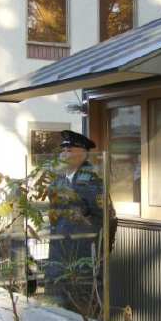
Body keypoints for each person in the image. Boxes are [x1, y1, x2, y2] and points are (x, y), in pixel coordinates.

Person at [45, 130, 117, 310]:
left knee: (83, 312)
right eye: (63, 150)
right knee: (57, 312)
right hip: (59, 259)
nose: (63, 154)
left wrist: (100, 252)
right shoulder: (58, 182)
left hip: (82, 261)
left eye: (69, 150)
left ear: (83, 153)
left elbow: (108, 219)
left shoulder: (92, 183)